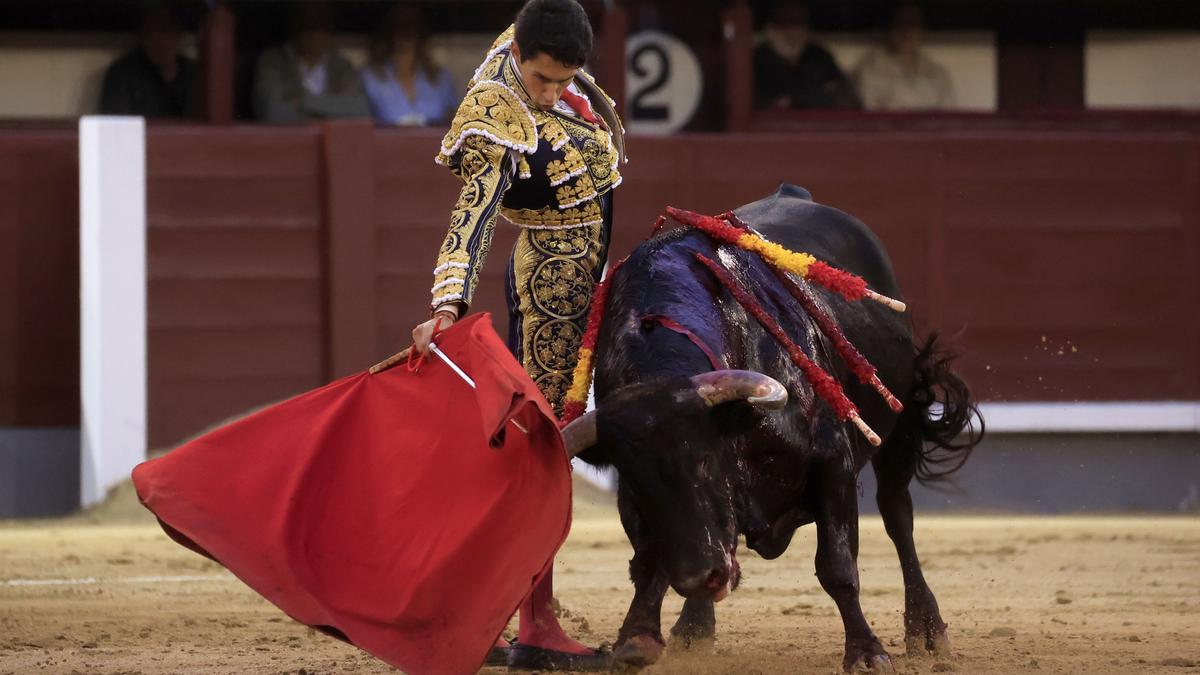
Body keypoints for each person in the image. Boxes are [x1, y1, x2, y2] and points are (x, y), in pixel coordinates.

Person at [410, 0, 625, 670]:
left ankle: (499, 610)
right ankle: (535, 622)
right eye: (541, 81)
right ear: (519, 59)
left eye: (564, 81)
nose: (551, 93)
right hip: (552, 280)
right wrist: (447, 305)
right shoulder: (495, 105)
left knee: (532, 447)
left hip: (584, 267)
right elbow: (471, 214)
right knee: (541, 450)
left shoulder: (541, 40)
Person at [252, 1, 369, 123]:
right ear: (294, 26)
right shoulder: (273, 61)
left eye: (320, 25)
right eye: (308, 25)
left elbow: (359, 110)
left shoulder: (342, 67)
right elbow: (272, 112)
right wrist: (332, 110)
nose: (314, 34)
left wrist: (303, 101)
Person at [753, 0, 861, 110]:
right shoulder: (753, 65)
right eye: (783, 22)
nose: (791, 32)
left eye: (797, 23)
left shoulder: (821, 60)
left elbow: (848, 103)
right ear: (769, 30)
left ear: (808, 30)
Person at [361, 4, 457, 126]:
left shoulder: (441, 78)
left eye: (412, 23)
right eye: (399, 23)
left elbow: (455, 127)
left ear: (421, 29)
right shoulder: (369, 78)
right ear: (388, 29)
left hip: (435, 144)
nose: (406, 29)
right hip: (384, 145)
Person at [99, 3, 198, 118]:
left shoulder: (194, 73)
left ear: (179, 33)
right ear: (142, 34)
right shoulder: (122, 74)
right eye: (150, 30)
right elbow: (115, 128)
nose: (158, 39)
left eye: (167, 29)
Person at [853, 2, 955, 110]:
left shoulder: (938, 74)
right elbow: (866, 117)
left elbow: (949, 117)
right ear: (890, 27)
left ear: (922, 30)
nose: (906, 31)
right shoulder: (868, 71)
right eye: (900, 23)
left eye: (913, 24)